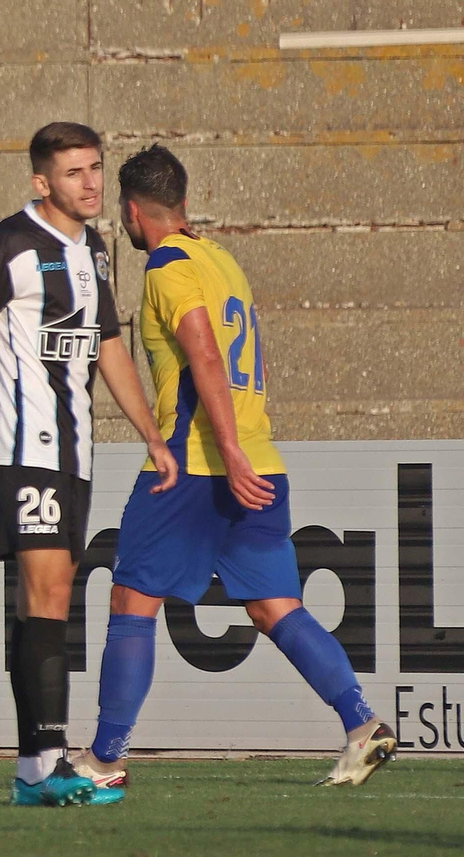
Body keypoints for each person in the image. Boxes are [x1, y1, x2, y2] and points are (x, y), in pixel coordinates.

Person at [73, 144, 396, 790]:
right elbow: (244, 362)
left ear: (134, 212)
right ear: (183, 202)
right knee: (276, 607)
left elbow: (205, 358)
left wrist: (228, 452)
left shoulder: (167, 266)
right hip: (258, 460)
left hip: (195, 466)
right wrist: (247, 448)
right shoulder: (224, 263)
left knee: (131, 599)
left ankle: (105, 760)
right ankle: (362, 725)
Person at [0, 123, 177, 806]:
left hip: (73, 450)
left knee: (44, 601)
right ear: (41, 181)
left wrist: (150, 433)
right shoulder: (10, 244)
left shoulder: (97, 250)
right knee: (50, 593)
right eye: (74, 171)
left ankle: (34, 770)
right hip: (23, 445)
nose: (89, 183)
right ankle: (46, 766)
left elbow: (108, 344)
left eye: (95, 169)